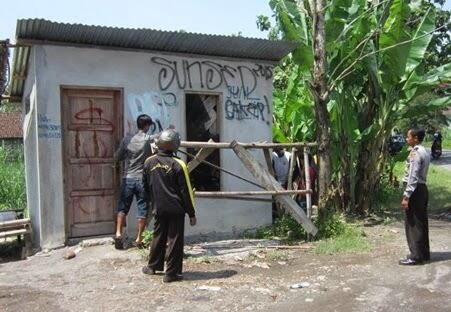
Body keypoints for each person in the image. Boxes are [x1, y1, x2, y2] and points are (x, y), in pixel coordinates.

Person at [141, 129, 197, 283]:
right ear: (174, 145)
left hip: (158, 207)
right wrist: (191, 213)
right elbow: (186, 192)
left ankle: (152, 267)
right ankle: (171, 273)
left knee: (158, 236)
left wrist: (151, 205)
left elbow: (145, 186)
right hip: (176, 209)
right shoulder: (179, 164)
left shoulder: (149, 162)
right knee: (174, 240)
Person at [114, 114, 156, 249]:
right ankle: (139, 238)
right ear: (147, 126)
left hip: (128, 178)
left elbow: (117, 157)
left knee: (123, 207)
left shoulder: (127, 139)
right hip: (142, 179)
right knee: (142, 208)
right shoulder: (148, 140)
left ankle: (118, 233)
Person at [399, 127, 431, 265]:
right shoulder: (424, 151)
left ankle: (415, 256)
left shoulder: (415, 153)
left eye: (408, 137)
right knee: (421, 222)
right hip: (422, 189)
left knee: (413, 224)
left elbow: (413, 175)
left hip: (415, 190)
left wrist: (406, 196)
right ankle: (423, 253)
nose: (407, 139)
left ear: (416, 138)